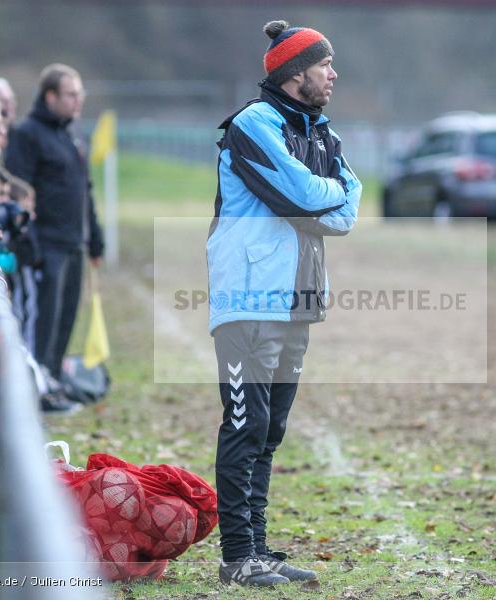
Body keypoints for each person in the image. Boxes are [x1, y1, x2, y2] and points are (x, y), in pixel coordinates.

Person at [207, 20, 361, 587]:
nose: (333, 73)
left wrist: (321, 196)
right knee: (245, 427)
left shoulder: (322, 134)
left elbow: (343, 214)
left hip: (298, 298)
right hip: (248, 299)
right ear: (296, 73)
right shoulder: (252, 125)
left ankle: (259, 550)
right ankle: (236, 557)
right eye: (326, 64)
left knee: (270, 432)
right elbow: (304, 194)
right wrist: (323, 193)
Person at [5, 63, 104, 379]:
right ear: (50, 97)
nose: (78, 101)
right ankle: (36, 382)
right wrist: (29, 245)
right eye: (71, 94)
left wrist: (95, 237)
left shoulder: (72, 135)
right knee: (43, 321)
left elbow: (84, 190)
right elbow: (17, 192)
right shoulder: (27, 134)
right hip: (45, 246)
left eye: (80, 94)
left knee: (66, 317)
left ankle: (52, 379)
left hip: (74, 244)